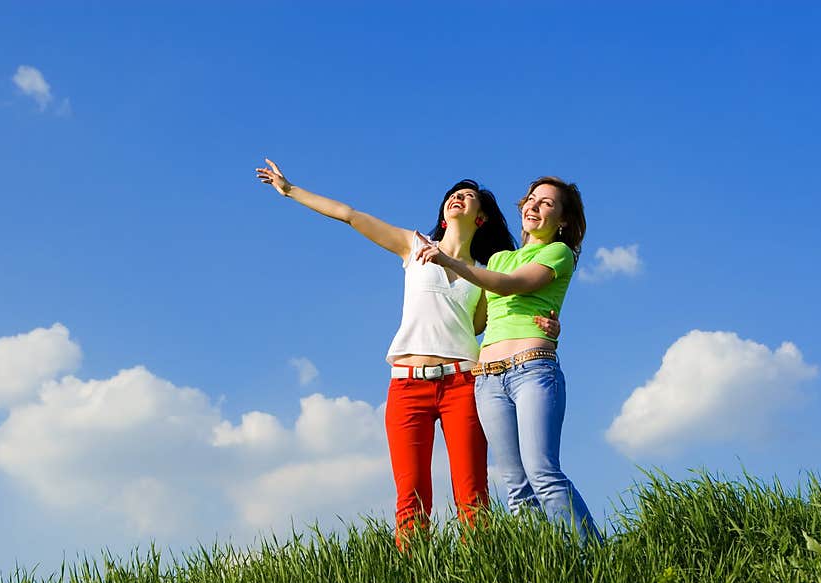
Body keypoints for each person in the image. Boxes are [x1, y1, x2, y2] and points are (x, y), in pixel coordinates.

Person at [254, 159, 560, 548]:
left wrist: (551, 326)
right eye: (453, 195)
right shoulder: (413, 246)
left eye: (467, 198)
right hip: (406, 387)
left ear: (480, 219)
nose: (457, 199)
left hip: (463, 384)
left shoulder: (483, 273)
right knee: (411, 498)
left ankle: (481, 572)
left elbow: (506, 316)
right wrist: (290, 190)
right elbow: (349, 216)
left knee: (473, 495)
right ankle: (411, 574)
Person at [415, 175, 602, 543]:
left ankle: (594, 561)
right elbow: (477, 319)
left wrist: (450, 262)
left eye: (547, 203)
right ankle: (543, 571)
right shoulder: (499, 257)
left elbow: (511, 285)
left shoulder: (557, 253)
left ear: (562, 220)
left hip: (532, 370)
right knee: (516, 487)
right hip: (488, 379)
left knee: (543, 474)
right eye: (532, 199)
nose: (534, 206)